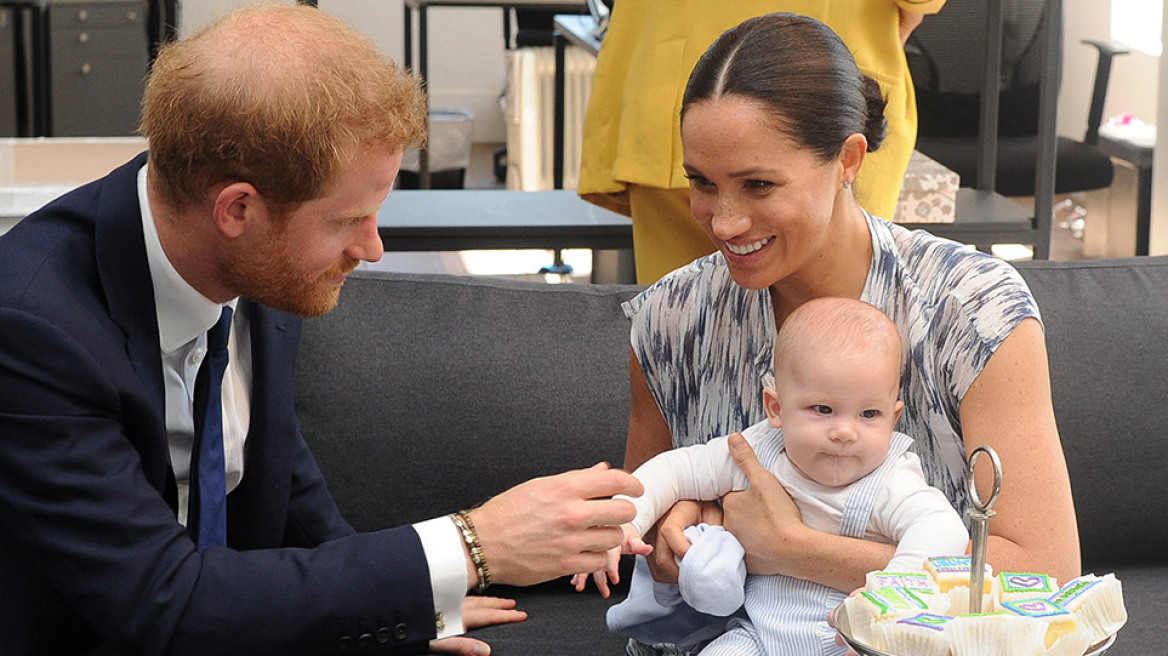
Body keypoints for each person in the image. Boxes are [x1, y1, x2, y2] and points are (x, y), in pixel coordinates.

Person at [0, 5, 643, 655]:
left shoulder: (258, 270)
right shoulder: (34, 329)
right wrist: (471, 545)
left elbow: (289, 494)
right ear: (239, 209)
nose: (373, 248)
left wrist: (399, 609)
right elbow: (163, 601)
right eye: (348, 221)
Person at [619, 11, 1080, 656]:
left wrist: (793, 549)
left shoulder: (971, 309)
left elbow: (1045, 572)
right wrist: (675, 536)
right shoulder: (670, 319)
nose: (723, 221)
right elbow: (645, 523)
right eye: (702, 182)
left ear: (848, 160)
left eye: (758, 184)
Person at [575, 298, 968, 654]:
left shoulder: (891, 479)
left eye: (869, 414)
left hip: (848, 639)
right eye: (823, 409)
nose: (845, 432)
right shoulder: (758, 450)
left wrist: (894, 592)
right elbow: (677, 470)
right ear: (776, 408)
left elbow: (941, 526)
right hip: (757, 634)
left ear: (894, 417)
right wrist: (627, 518)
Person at [577, 0, 946, 284]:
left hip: (668, 78)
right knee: (835, 347)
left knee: (686, 342)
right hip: (827, 88)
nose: (727, 224)